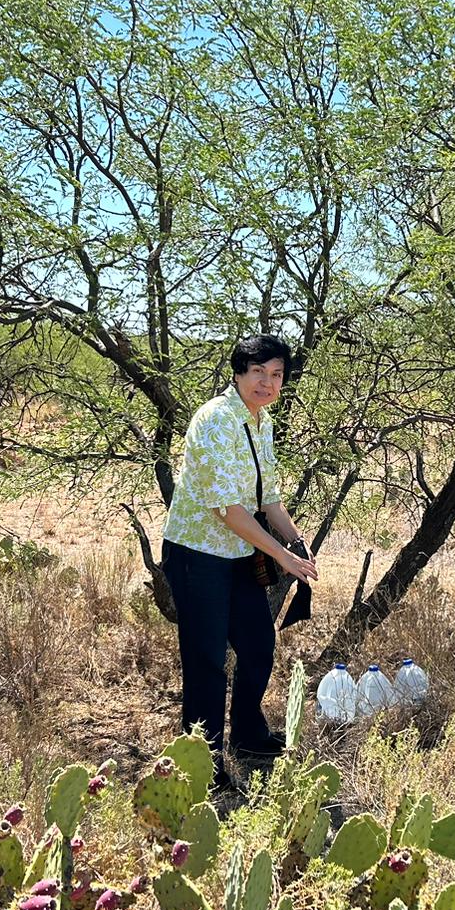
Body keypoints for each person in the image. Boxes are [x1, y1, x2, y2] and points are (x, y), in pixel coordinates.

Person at [160, 333, 319, 789]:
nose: (267, 383)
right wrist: (282, 556)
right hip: (197, 555)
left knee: (256, 645)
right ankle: (202, 765)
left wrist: (295, 540)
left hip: (236, 555)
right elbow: (227, 510)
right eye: (258, 373)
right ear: (238, 374)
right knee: (206, 660)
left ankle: (248, 735)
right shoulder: (215, 420)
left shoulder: (260, 420)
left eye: (276, 375)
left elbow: (267, 498)